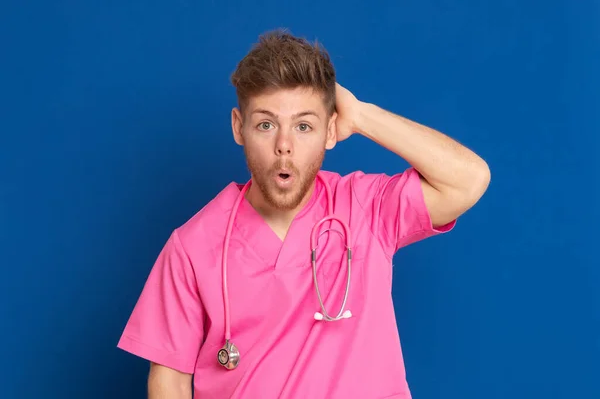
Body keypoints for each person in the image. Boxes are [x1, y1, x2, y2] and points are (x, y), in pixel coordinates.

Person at [117, 29, 490, 398]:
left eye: (304, 126)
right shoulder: (192, 247)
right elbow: (169, 382)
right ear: (238, 128)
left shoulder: (366, 207)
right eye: (266, 124)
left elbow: (468, 180)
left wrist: (361, 116)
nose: (284, 146)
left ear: (330, 131)